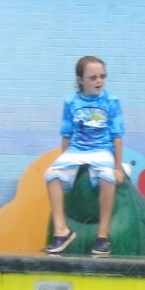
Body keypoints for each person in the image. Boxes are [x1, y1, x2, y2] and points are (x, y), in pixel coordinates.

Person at [44, 56, 126, 256]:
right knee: (51, 175)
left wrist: (117, 167)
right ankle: (61, 230)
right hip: (76, 150)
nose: (99, 81)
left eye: (102, 76)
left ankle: (103, 235)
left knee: (107, 177)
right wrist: (65, 164)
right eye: (93, 77)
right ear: (80, 80)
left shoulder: (111, 101)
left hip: (101, 150)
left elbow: (117, 136)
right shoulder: (71, 102)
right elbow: (66, 134)